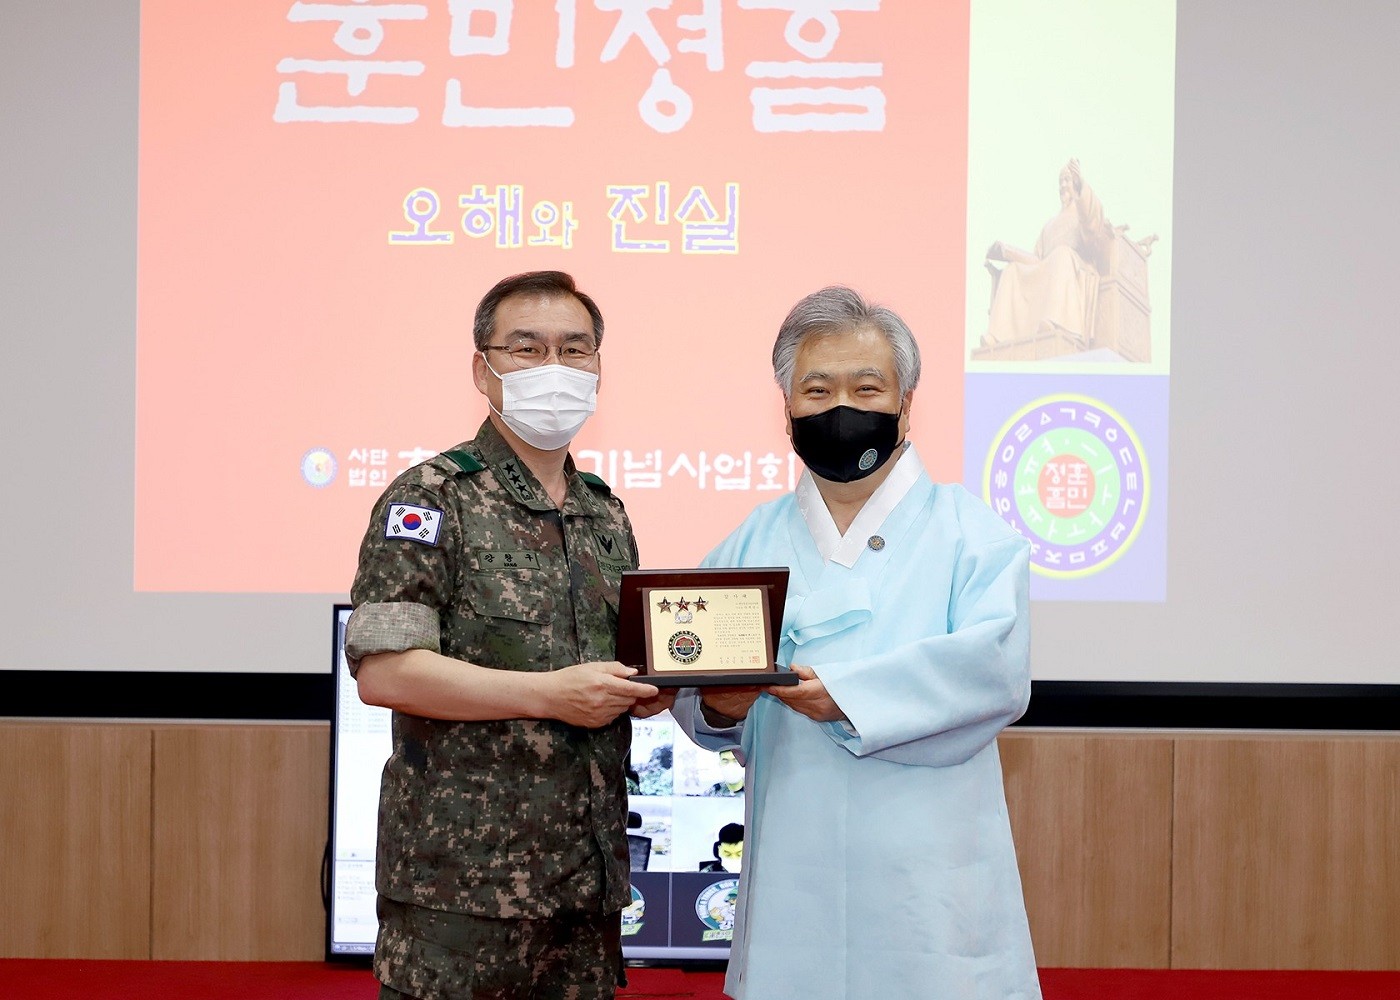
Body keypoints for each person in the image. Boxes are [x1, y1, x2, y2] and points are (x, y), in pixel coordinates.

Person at [674, 286, 1040, 999]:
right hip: (793, 872)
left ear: (906, 403)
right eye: (817, 390)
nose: (841, 406)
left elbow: (994, 672)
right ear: (786, 408)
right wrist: (720, 705)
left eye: (866, 388)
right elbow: (695, 688)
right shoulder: (750, 541)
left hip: (929, 880)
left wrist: (846, 695)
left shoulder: (973, 537)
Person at [344, 270, 674, 1000]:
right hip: (461, 895)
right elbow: (385, 672)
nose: (555, 367)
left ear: (598, 368)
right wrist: (551, 696)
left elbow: (610, 667)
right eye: (527, 348)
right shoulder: (432, 497)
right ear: (482, 369)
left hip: (585, 890)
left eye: (574, 350)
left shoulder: (604, 513)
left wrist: (642, 690)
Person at [981, 157, 1112, 347]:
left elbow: (1092, 225)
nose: (1063, 185)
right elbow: (1038, 260)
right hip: (1050, 269)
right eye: (1061, 181)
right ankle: (997, 334)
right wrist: (1007, 252)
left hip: (1076, 268)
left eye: (1067, 180)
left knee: (1061, 255)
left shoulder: (1082, 212)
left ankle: (1055, 321)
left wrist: (1081, 185)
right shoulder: (1050, 225)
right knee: (1012, 270)